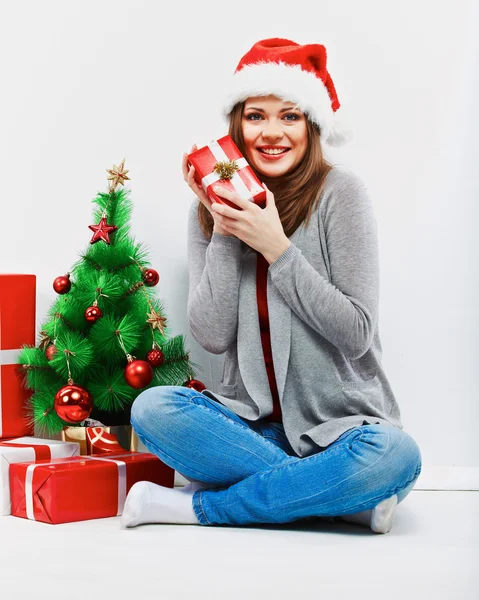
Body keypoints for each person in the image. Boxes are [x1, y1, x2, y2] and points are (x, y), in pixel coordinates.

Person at [121, 38, 422, 534]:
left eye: (290, 116)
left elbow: (357, 332)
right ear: (237, 126)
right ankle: (336, 500)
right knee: (152, 407)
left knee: (394, 457)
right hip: (253, 429)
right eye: (256, 116)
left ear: (312, 126)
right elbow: (212, 336)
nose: (272, 132)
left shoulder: (341, 195)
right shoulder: (208, 212)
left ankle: (196, 509)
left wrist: (277, 249)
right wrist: (223, 226)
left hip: (345, 431)